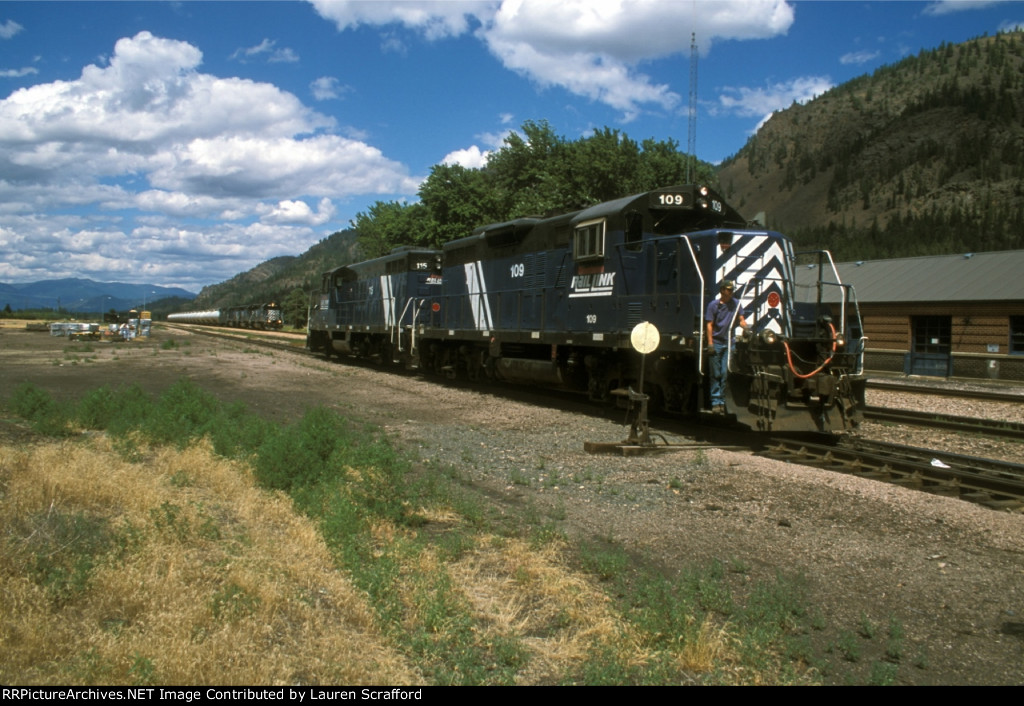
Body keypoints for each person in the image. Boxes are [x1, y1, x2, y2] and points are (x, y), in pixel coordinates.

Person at [705, 280, 748, 414]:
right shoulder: (713, 305)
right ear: (722, 290)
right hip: (716, 343)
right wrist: (710, 343)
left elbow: (741, 319)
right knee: (715, 373)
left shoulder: (736, 303)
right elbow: (709, 325)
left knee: (724, 373)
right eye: (728, 289)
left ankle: (722, 401)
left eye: (731, 290)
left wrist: (746, 328)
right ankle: (715, 402)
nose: (730, 292)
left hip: (730, 342)